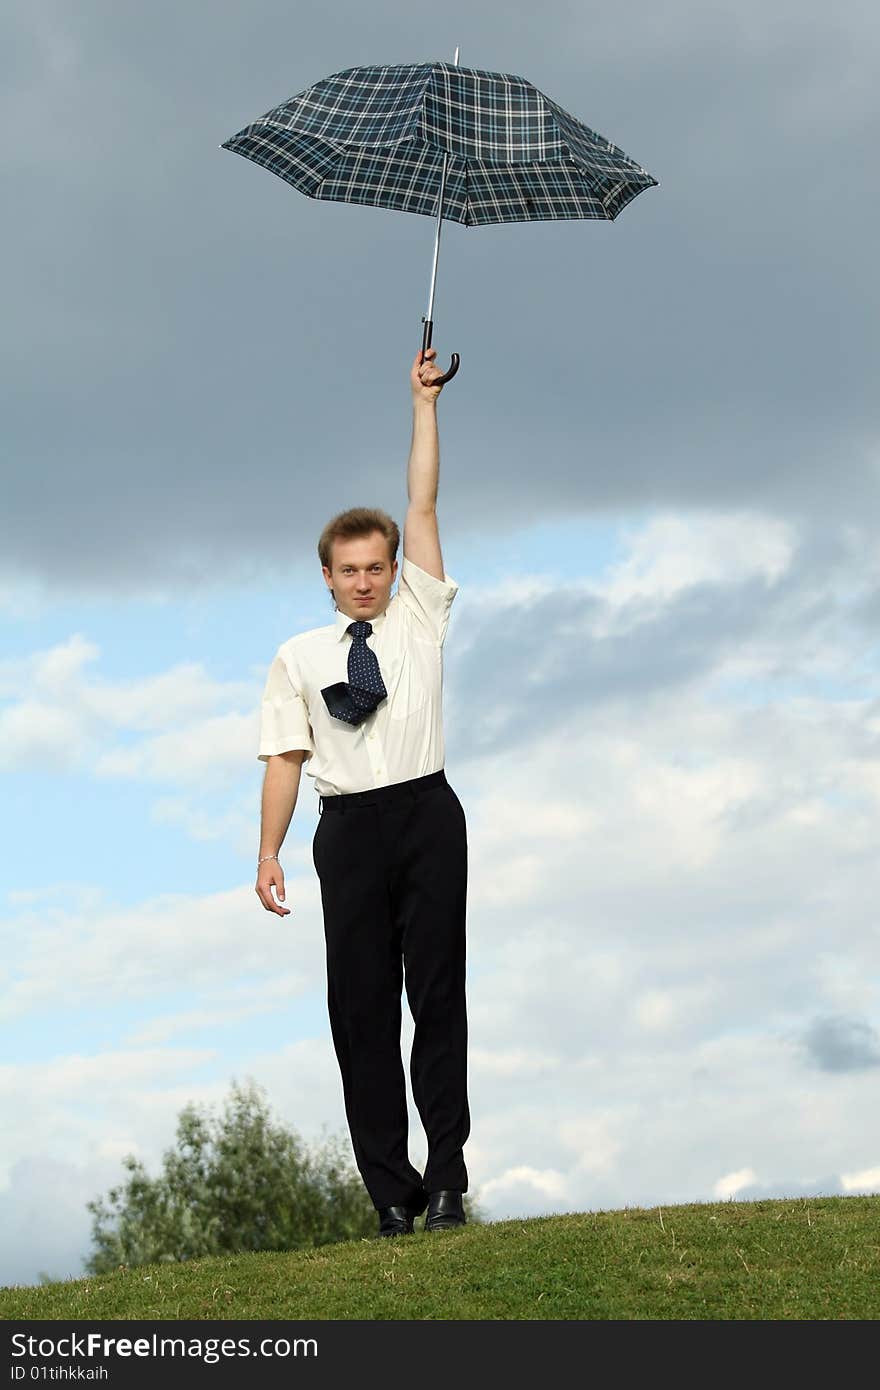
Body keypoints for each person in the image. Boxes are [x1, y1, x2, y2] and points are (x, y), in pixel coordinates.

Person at [255, 346, 470, 1238]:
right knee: (360, 1012)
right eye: (350, 570)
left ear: (393, 570)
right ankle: (391, 1191)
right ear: (328, 576)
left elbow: (421, 501)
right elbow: (284, 758)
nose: (366, 580)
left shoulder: (420, 615)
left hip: (425, 813)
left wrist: (422, 403)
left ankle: (448, 1178)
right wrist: (266, 852)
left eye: (377, 566)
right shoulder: (300, 656)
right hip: (344, 832)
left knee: (439, 998)